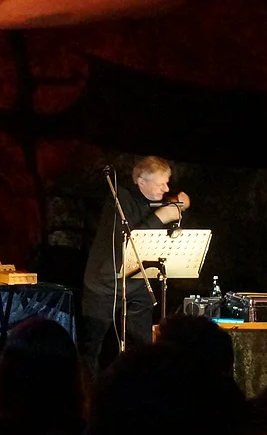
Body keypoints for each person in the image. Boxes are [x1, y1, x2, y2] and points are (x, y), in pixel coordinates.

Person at [81, 156, 190, 375]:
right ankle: (88, 390)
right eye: (160, 184)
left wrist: (182, 203)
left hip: (138, 280)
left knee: (143, 342)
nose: (166, 189)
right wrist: (161, 216)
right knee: (91, 346)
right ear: (141, 182)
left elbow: (178, 204)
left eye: (167, 183)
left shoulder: (158, 197)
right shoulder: (120, 199)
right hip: (105, 282)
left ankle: (142, 385)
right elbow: (129, 238)